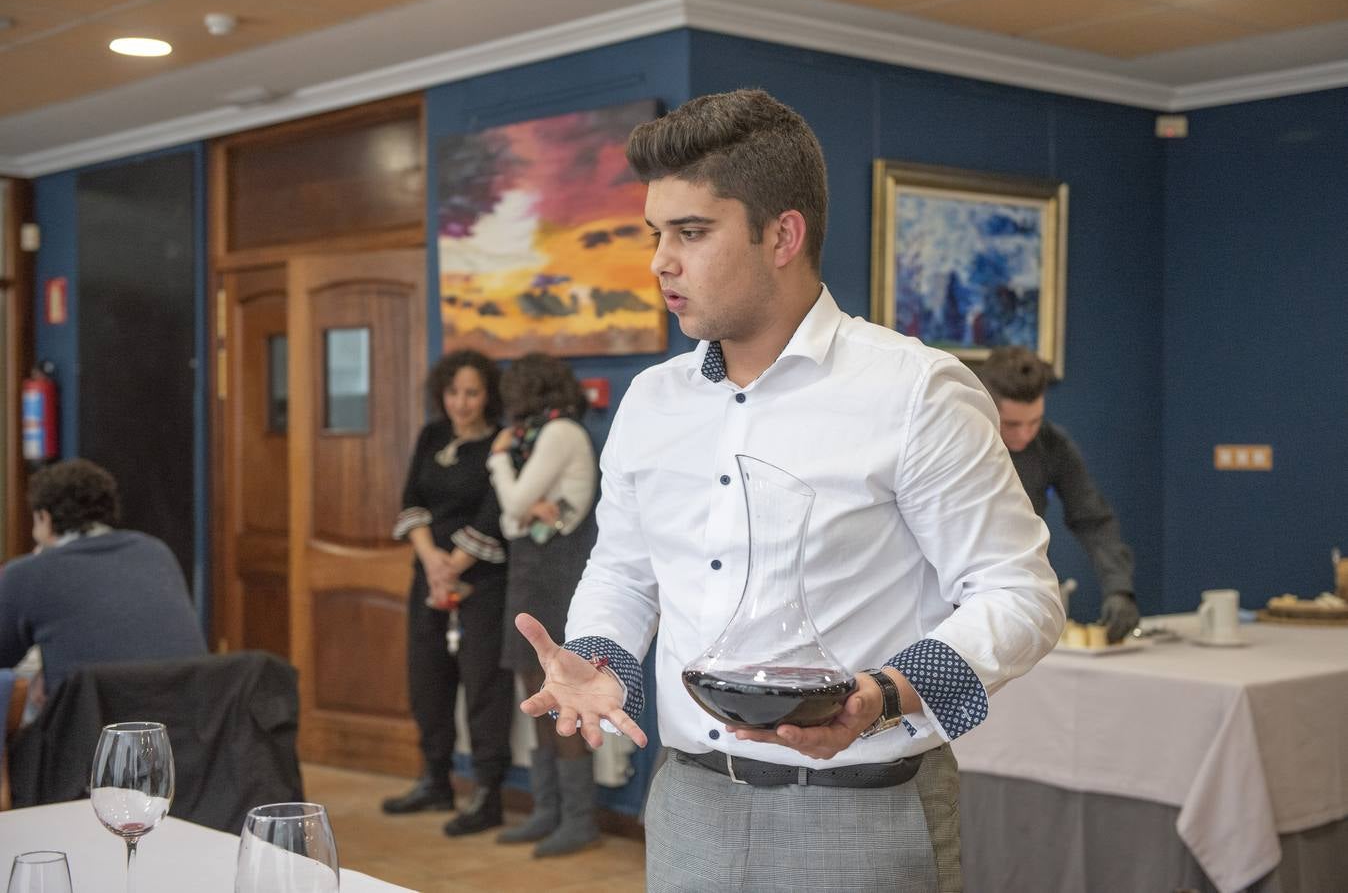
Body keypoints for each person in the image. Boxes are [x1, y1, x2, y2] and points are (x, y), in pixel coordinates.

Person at [512, 89, 1064, 892]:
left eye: (691, 233)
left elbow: (1022, 595)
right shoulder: (652, 401)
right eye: (654, 235)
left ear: (783, 234)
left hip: (865, 810)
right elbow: (626, 572)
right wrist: (601, 661)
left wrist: (882, 693)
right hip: (689, 803)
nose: (661, 261)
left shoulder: (915, 391)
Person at [384, 349, 516, 840]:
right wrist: (433, 563)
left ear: (488, 396)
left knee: (484, 687)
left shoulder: (500, 443)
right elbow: (411, 502)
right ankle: (434, 780)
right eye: (453, 392)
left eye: (472, 393)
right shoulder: (432, 435)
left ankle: (487, 794)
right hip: (429, 577)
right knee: (427, 682)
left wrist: (455, 565)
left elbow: (493, 513)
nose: (461, 403)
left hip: (482, 581)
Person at [485, 353, 601, 857]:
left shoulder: (559, 435)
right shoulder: (542, 437)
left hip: (555, 578)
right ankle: (546, 810)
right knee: (535, 696)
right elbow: (513, 523)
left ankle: (578, 820)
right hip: (531, 572)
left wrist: (496, 459)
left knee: (561, 697)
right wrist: (522, 507)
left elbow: (511, 506)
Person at [0, 459, 207, 705]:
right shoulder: (155, 551)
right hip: (189, 728)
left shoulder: (29, 572)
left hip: (91, 732)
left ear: (44, 518)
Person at [976, 346, 1141, 642]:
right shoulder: (961, 442)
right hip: (950, 592)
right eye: (1012, 424)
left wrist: (1119, 588)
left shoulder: (1052, 445)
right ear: (986, 405)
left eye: (1034, 421)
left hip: (1019, 590)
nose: (1025, 434)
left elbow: (1093, 519)